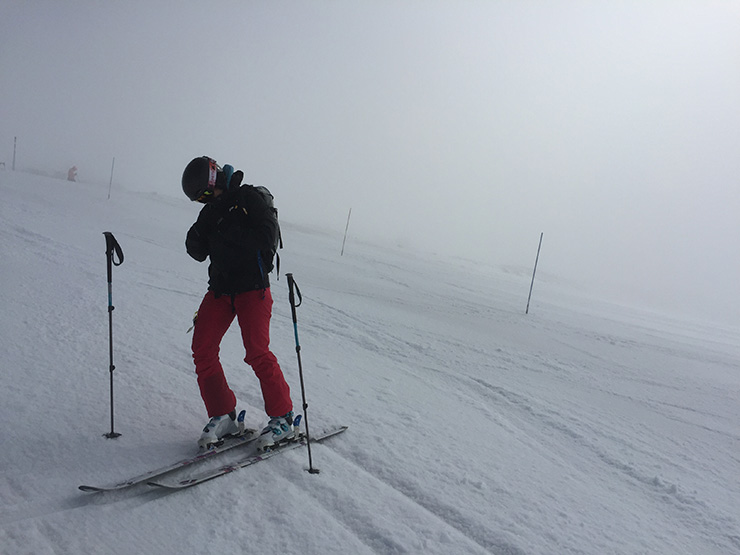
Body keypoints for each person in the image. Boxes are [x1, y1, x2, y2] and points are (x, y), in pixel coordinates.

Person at [181, 156, 294, 450]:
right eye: (200, 199)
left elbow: (267, 237)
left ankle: (283, 417)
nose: (205, 201)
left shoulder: (249, 198)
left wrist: (229, 230)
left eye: (205, 194)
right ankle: (225, 415)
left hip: (252, 289)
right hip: (220, 290)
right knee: (202, 349)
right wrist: (198, 236)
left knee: (257, 352)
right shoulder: (211, 211)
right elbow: (197, 251)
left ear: (214, 179)